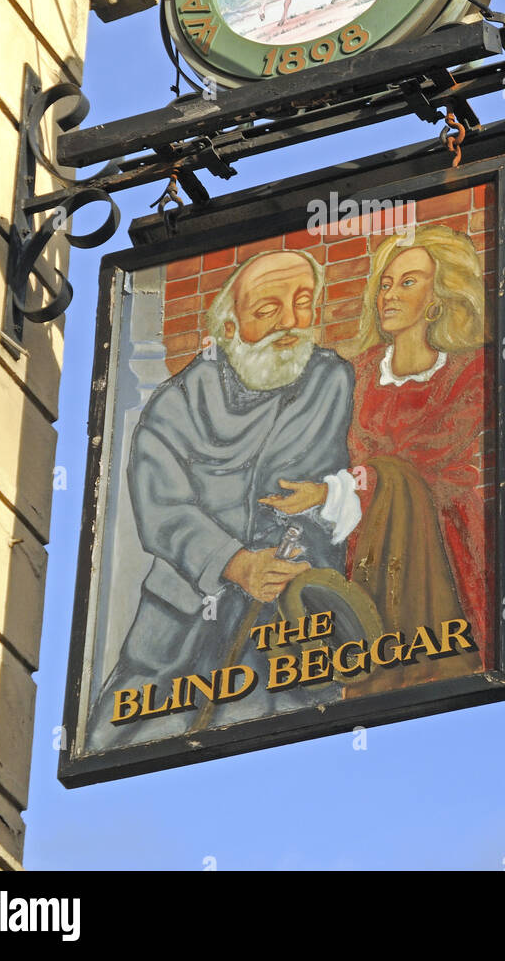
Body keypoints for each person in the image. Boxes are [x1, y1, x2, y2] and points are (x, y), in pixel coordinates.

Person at [87, 249, 361, 749]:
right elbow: (162, 509)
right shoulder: (177, 403)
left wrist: (316, 522)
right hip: (182, 620)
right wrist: (235, 562)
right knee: (124, 737)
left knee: (289, 748)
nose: (291, 322)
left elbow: (349, 479)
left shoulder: (331, 380)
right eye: (267, 310)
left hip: (286, 623)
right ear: (230, 329)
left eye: (303, 302)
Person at [345, 225, 493, 673]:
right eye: (384, 284)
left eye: (408, 282)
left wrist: (353, 480)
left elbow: (426, 457)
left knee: (443, 663)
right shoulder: (359, 372)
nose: (389, 295)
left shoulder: (471, 371)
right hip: (361, 538)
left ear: (438, 296)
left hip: (443, 542)